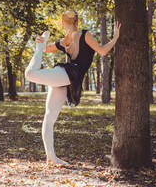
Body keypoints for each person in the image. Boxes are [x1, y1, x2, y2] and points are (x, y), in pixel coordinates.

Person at [24, 9, 121, 165]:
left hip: (65, 79)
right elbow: (102, 51)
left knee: (49, 118)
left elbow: (46, 49)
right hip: (66, 74)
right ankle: (51, 157)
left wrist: (41, 44)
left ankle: (51, 158)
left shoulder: (64, 41)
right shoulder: (84, 34)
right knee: (30, 74)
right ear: (77, 21)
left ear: (63, 22)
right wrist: (115, 37)